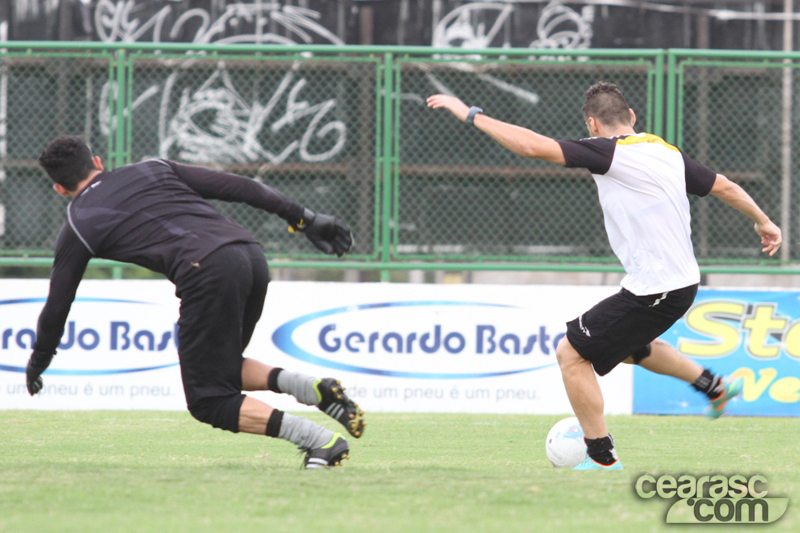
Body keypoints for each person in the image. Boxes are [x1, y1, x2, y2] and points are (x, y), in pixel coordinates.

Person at [427, 82, 782, 470]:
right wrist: (763, 221)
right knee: (633, 348)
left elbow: (531, 146)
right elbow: (725, 186)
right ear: (632, 117)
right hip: (675, 283)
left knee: (571, 353)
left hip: (658, 288)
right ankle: (714, 386)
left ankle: (600, 457)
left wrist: (470, 113)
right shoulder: (666, 152)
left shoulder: (606, 151)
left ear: (592, 124)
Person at [26, 136, 365, 469]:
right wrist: (303, 218)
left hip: (208, 272)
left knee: (209, 400)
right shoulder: (152, 169)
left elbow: (58, 303)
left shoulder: (78, 223)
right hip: (250, 256)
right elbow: (241, 187)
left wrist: (40, 358)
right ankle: (314, 390)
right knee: (223, 368)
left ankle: (318, 441)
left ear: (60, 189)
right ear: (97, 162)